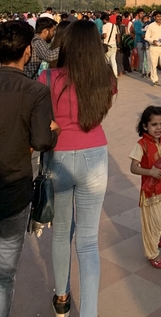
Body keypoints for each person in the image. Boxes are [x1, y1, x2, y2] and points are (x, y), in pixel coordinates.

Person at [39, 20, 115, 317]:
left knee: (61, 233)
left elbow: (39, 116)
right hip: (94, 153)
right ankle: (90, 312)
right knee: (88, 241)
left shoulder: (47, 77)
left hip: (58, 154)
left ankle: (61, 299)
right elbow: (98, 112)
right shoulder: (106, 78)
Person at [0, 21, 60, 317]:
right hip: (13, 189)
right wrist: (54, 131)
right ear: (27, 52)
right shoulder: (35, 91)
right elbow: (41, 141)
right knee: (4, 275)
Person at [129, 105, 161, 269]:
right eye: (154, 124)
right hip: (151, 191)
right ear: (145, 126)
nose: (158, 128)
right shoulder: (141, 145)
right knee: (154, 222)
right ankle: (152, 253)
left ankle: (159, 236)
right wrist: (150, 171)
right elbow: (134, 167)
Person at [144, 11, 161, 88]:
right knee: (154, 64)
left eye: (160, 16)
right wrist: (152, 41)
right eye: (158, 17)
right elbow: (146, 36)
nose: (159, 18)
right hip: (154, 47)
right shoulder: (151, 26)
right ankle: (154, 80)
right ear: (154, 17)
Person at [101, 12, 119, 78]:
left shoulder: (104, 26)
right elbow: (117, 35)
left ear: (104, 20)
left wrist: (100, 37)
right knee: (113, 60)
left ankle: (106, 75)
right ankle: (115, 75)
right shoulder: (114, 25)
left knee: (106, 61)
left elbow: (105, 36)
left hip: (107, 45)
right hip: (114, 44)